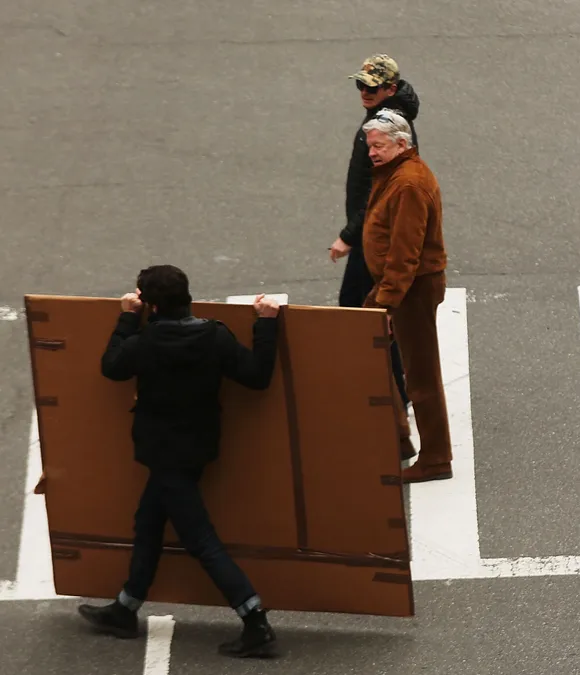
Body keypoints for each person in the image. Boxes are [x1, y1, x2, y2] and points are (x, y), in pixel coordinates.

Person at [76, 265, 281, 658]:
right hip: (197, 448)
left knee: (200, 539)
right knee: (149, 523)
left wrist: (125, 316)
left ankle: (255, 620)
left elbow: (111, 366)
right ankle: (125, 608)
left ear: (151, 304)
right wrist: (267, 324)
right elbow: (257, 376)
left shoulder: (146, 341)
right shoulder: (215, 336)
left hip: (160, 450)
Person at [359, 109, 453, 483]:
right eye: (370, 146)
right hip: (398, 288)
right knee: (369, 352)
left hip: (409, 290)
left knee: (421, 376)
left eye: (378, 146)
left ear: (401, 144)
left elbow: (405, 252)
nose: (371, 152)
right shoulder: (397, 175)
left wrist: (384, 303)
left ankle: (435, 459)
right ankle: (398, 438)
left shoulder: (409, 184)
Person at [330, 54, 421, 409]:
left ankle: (395, 393)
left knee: (363, 311)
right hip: (371, 229)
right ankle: (397, 390)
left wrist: (349, 235)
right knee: (369, 312)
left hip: (374, 233)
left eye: (372, 87)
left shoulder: (387, 127)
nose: (364, 92)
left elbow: (377, 191)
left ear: (391, 89)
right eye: (360, 85)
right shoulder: (388, 118)